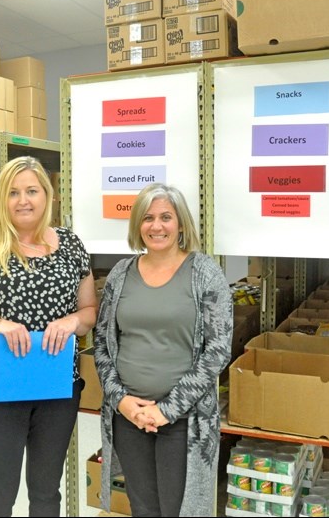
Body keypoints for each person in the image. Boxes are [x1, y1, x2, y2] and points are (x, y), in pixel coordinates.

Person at [0, 156, 98, 517]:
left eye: (31, 190)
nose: (23, 200)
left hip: (55, 387)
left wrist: (72, 321)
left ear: (47, 195)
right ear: (2, 199)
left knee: (46, 492)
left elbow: (90, 312)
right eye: (13, 192)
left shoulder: (71, 246)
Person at [93, 183, 233, 517]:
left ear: (181, 224)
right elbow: (101, 344)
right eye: (148, 218)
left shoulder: (205, 274)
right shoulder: (120, 275)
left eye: (166, 217)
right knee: (142, 507)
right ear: (137, 225)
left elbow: (217, 351)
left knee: (178, 510)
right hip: (129, 418)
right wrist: (122, 402)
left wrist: (167, 410)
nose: (157, 226)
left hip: (184, 422)